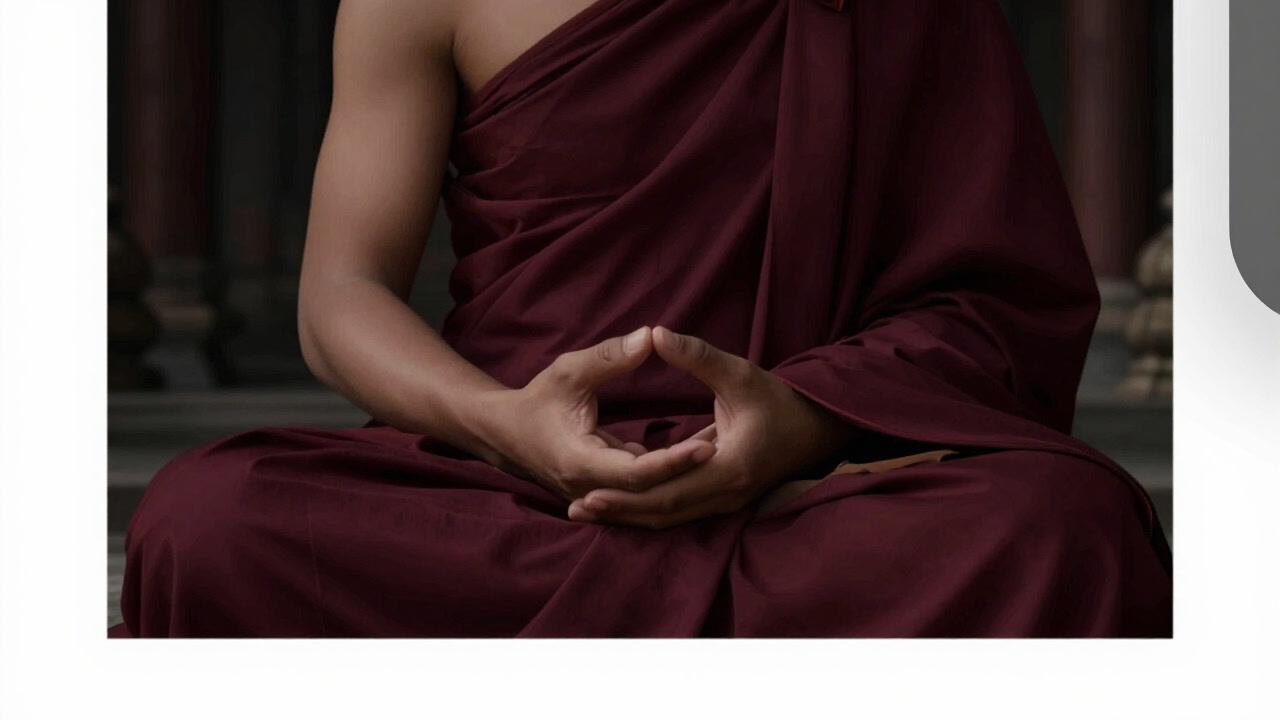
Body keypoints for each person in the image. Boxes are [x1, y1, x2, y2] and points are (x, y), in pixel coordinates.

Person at [111, 0, 1173, 638]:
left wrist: (799, 418)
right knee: (207, 523)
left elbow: (988, 297)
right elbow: (340, 294)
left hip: (814, 489)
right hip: (503, 485)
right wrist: (508, 424)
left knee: (1063, 531)